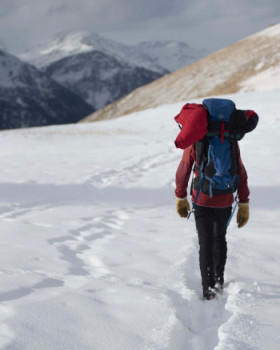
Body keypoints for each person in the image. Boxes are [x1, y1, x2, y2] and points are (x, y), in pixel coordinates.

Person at [175, 137, 250, 300]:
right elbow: (239, 169)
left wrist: (180, 197)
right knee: (219, 238)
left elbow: (184, 167)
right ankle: (218, 281)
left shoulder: (196, 136)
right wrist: (244, 201)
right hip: (225, 198)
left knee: (205, 241)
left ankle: (209, 289)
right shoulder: (230, 137)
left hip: (202, 198)